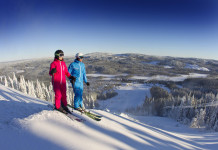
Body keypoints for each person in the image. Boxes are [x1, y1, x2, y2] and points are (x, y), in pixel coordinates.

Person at [49, 50, 75, 114]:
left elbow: (66, 72)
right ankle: (57, 107)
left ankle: (64, 105)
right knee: (58, 95)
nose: (62, 56)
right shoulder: (53, 63)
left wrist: (70, 77)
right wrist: (52, 71)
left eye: (63, 55)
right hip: (56, 82)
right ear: (57, 55)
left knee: (64, 94)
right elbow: (50, 73)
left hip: (63, 82)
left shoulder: (63, 63)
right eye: (61, 55)